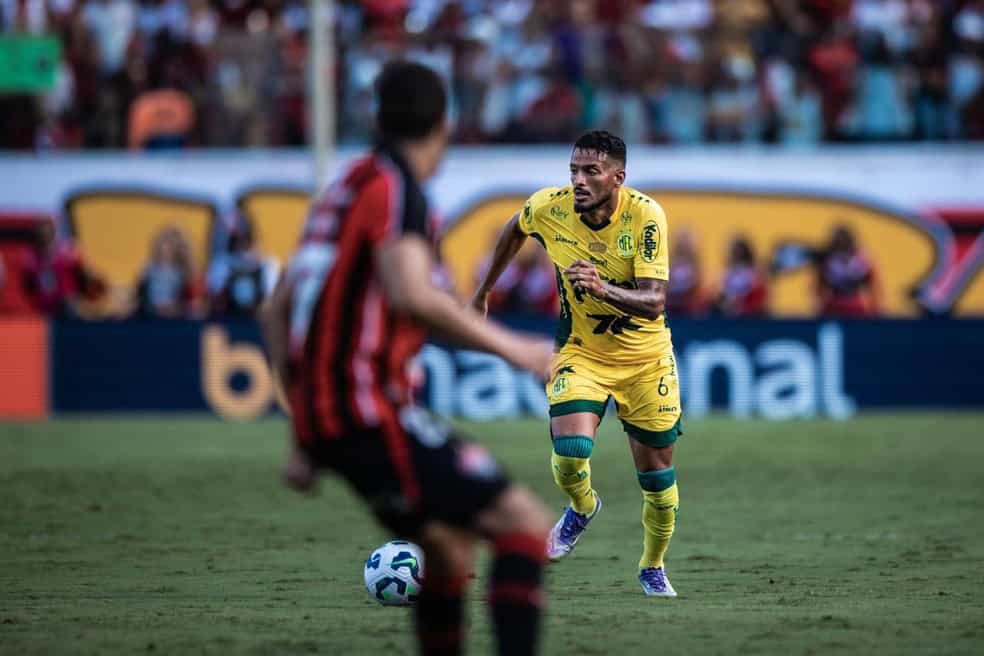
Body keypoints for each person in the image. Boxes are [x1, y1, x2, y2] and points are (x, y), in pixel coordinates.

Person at [259, 61, 555, 656]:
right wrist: (516, 350)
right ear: (444, 124)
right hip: (369, 408)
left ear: (377, 117)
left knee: (447, 547)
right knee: (524, 524)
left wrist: (302, 431)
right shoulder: (398, 191)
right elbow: (411, 295)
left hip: (331, 414)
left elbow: (276, 311)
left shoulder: (343, 187)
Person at [471, 130, 683, 597]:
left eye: (591, 171)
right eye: (573, 170)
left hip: (647, 362)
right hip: (582, 353)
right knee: (570, 454)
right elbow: (515, 228)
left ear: (618, 178)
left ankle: (652, 564)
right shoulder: (550, 207)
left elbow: (654, 301)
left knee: (658, 482)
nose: (579, 180)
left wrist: (602, 288)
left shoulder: (646, 217)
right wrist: (485, 290)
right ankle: (582, 507)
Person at [815, 224, 881, 317]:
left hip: (854, 304)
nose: (841, 243)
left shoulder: (861, 259)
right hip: (833, 304)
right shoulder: (828, 259)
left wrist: (875, 308)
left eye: (844, 241)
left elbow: (873, 284)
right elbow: (818, 287)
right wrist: (819, 306)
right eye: (838, 241)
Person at [135, 225, 197, 318]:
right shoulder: (148, 268)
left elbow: (188, 298)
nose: (166, 250)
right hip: (149, 314)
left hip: (174, 317)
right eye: (164, 246)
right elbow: (140, 292)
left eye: (170, 247)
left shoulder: (182, 272)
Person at [713, 235, 768, 317]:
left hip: (751, 316)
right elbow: (720, 295)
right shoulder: (726, 273)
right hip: (728, 315)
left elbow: (759, 294)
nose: (736, 254)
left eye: (739, 251)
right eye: (733, 251)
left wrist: (742, 306)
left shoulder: (755, 272)